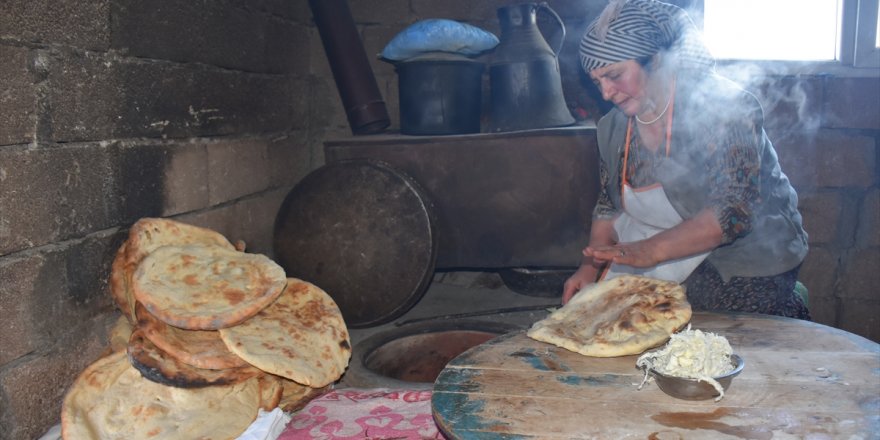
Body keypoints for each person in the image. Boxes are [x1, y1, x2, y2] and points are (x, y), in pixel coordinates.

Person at [562, 0, 811, 320]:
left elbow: (734, 213)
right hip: (660, 253)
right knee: (616, 320)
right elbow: (609, 202)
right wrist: (588, 267)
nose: (607, 93)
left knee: (707, 328)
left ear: (656, 60)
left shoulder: (726, 109)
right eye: (598, 82)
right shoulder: (613, 126)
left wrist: (648, 252)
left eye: (614, 75)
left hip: (745, 258)